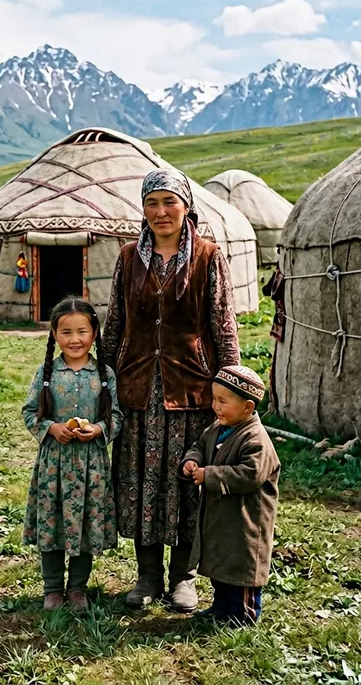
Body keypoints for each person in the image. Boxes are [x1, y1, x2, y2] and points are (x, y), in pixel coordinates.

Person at [102, 168, 241, 613]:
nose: (161, 212)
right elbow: (115, 324)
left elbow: (222, 324)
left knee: (185, 483)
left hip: (191, 391)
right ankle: (146, 576)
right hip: (138, 391)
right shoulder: (128, 258)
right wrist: (99, 379)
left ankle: (183, 577)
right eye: (152, 203)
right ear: (142, 210)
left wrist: (234, 386)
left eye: (169, 202)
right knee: (142, 484)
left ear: (186, 206)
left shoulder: (207, 256)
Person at [22, 297, 123, 611]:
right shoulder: (48, 372)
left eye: (82, 331)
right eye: (66, 332)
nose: (75, 339)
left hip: (91, 467)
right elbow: (29, 413)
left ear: (94, 333)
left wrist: (98, 430)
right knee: (52, 525)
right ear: (54, 334)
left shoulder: (104, 373)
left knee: (85, 527)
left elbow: (116, 417)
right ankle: (52, 589)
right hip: (55, 464)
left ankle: (77, 589)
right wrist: (51, 429)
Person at [180, 365, 280, 625]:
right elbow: (200, 446)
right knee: (222, 566)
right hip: (223, 518)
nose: (216, 406)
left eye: (223, 401)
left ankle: (244, 616)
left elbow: (250, 475)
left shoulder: (256, 439)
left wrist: (209, 475)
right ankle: (221, 608)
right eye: (214, 399)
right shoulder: (217, 428)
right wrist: (192, 460)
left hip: (246, 522)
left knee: (242, 569)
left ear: (247, 407)